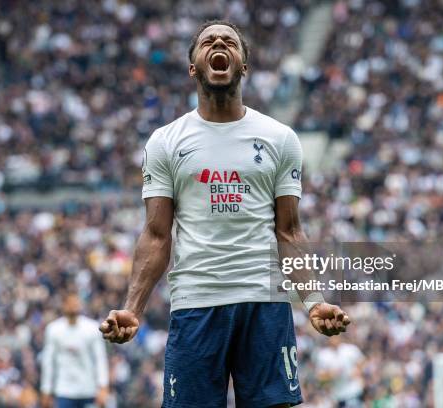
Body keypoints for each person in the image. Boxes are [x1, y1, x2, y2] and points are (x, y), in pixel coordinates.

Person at [99, 20, 350, 407]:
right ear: (193, 67)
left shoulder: (280, 138)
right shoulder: (166, 142)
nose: (219, 44)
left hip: (264, 304)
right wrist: (133, 307)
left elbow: (289, 231)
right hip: (196, 303)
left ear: (243, 66)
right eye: (208, 42)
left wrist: (314, 300)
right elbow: (156, 235)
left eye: (229, 41)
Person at [41, 294, 109, 408]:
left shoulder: (92, 328)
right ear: (63, 305)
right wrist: (46, 389)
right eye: (70, 303)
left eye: (76, 303)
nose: (73, 306)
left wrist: (103, 386)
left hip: (88, 389)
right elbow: (48, 362)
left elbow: (100, 358)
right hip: (64, 390)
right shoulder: (54, 330)